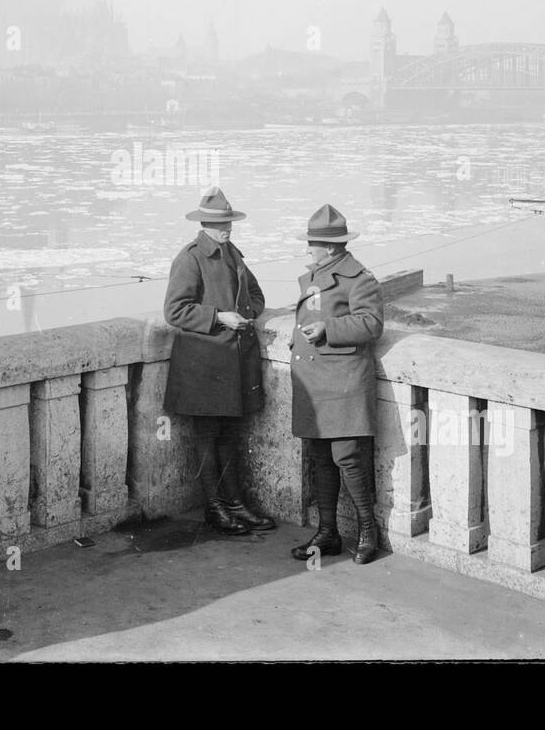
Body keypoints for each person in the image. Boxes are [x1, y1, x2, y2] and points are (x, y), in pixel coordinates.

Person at [162, 186, 276, 535]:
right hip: (204, 366)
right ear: (204, 223)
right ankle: (215, 509)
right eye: (218, 222)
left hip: (232, 363)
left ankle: (236, 505)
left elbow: (256, 295)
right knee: (208, 436)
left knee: (228, 435)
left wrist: (246, 315)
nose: (226, 227)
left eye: (228, 220)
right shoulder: (190, 258)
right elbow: (174, 311)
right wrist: (218, 318)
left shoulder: (232, 253)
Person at [288, 204, 385, 564]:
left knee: (347, 457)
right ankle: (328, 532)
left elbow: (371, 324)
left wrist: (328, 328)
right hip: (316, 379)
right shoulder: (318, 273)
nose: (307, 249)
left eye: (312, 243)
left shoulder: (360, 278)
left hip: (342, 381)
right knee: (318, 456)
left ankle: (367, 532)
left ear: (330, 248)